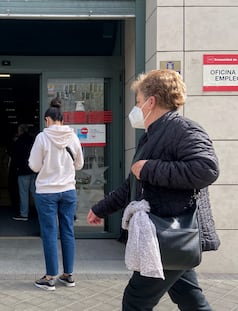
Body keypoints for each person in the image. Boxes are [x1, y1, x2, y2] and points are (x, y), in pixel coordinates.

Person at [87, 69, 219, 310]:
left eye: (137, 102)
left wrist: (149, 168)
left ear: (151, 101)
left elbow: (206, 169)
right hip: (171, 235)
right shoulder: (151, 136)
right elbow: (133, 185)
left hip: (170, 232)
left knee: (135, 300)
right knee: (190, 299)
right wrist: (101, 209)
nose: (135, 109)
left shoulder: (183, 129)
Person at [28, 97, 84, 290]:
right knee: (68, 231)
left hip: (46, 192)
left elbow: (34, 166)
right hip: (68, 191)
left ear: (47, 120)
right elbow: (80, 164)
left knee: (50, 233)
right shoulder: (73, 136)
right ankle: (68, 275)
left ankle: (50, 277)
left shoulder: (42, 138)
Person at [12, 124, 36, 221]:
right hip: (33, 169)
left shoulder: (18, 142)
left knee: (24, 193)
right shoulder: (33, 140)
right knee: (35, 193)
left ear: (20, 131)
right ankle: (41, 212)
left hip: (22, 170)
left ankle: (24, 214)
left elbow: (15, 156)